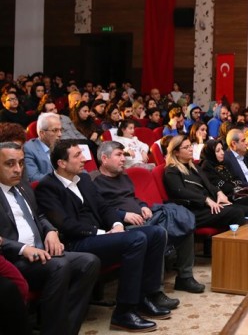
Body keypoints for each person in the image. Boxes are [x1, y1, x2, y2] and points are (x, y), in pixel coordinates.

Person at [35, 140, 174, 332]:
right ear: (62, 163)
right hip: (77, 242)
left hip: (101, 236)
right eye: (77, 155)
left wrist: (116, 224)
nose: (84, 158)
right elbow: (65, 224)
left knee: (156, 233)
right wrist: (102, 232)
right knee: (136, 239)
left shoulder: (83, 179)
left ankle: (146, 296)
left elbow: (104, 208)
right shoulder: (47, 186)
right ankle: (124, 312)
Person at [0, 142, 100, 335]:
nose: (18, 169)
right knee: (59, 266)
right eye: (10, 164)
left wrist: (51, 231)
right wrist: (22, 248)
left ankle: (62, 328)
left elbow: (40, 216)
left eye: (21, 163)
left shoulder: (23, 187)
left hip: (41, 252)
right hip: (13, 259)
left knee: (89, 261)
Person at [92, 141, 205, 294]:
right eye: (118, 155)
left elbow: (133, 198)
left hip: (143, 216)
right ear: (104, 159)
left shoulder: (123, 176)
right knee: (158, 233)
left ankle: (185, 277)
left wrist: (143, 205)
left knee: (185, 223)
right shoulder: (94, 181)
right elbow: (98, 210)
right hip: (121, 226)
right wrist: (122, 215)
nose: (123, 159)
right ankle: (155, 291)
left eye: (123, 155)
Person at [163, 135, 248, 230]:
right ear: (176, 152)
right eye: (186, 147)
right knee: (236, 213)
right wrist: (205, 200)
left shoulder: (195, 167)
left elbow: (208, 184)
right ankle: (231, 244)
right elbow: (180, 192)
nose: (191, 149)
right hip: (192, 210)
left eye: (190, 145)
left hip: (205, 206)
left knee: (245, 209)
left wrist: (218, 192)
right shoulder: (172, 170)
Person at [200, 139, 248, 225]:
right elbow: (223, 186)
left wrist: (235, 184)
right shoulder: (207, 166)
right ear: (211, 153)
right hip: (227, 197)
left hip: (237, 192)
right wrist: (234, 184)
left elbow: (237, 179)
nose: (222, 153)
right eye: (218, 151)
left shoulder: (225, 162)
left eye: (222, 149)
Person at [24, 113, 63, 182]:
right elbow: (34, 178)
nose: (60, 134)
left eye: (61, 130)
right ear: (42, 133)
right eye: (55, 130)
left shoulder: (60, 145)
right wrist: (62, 178)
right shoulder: (29, 149)